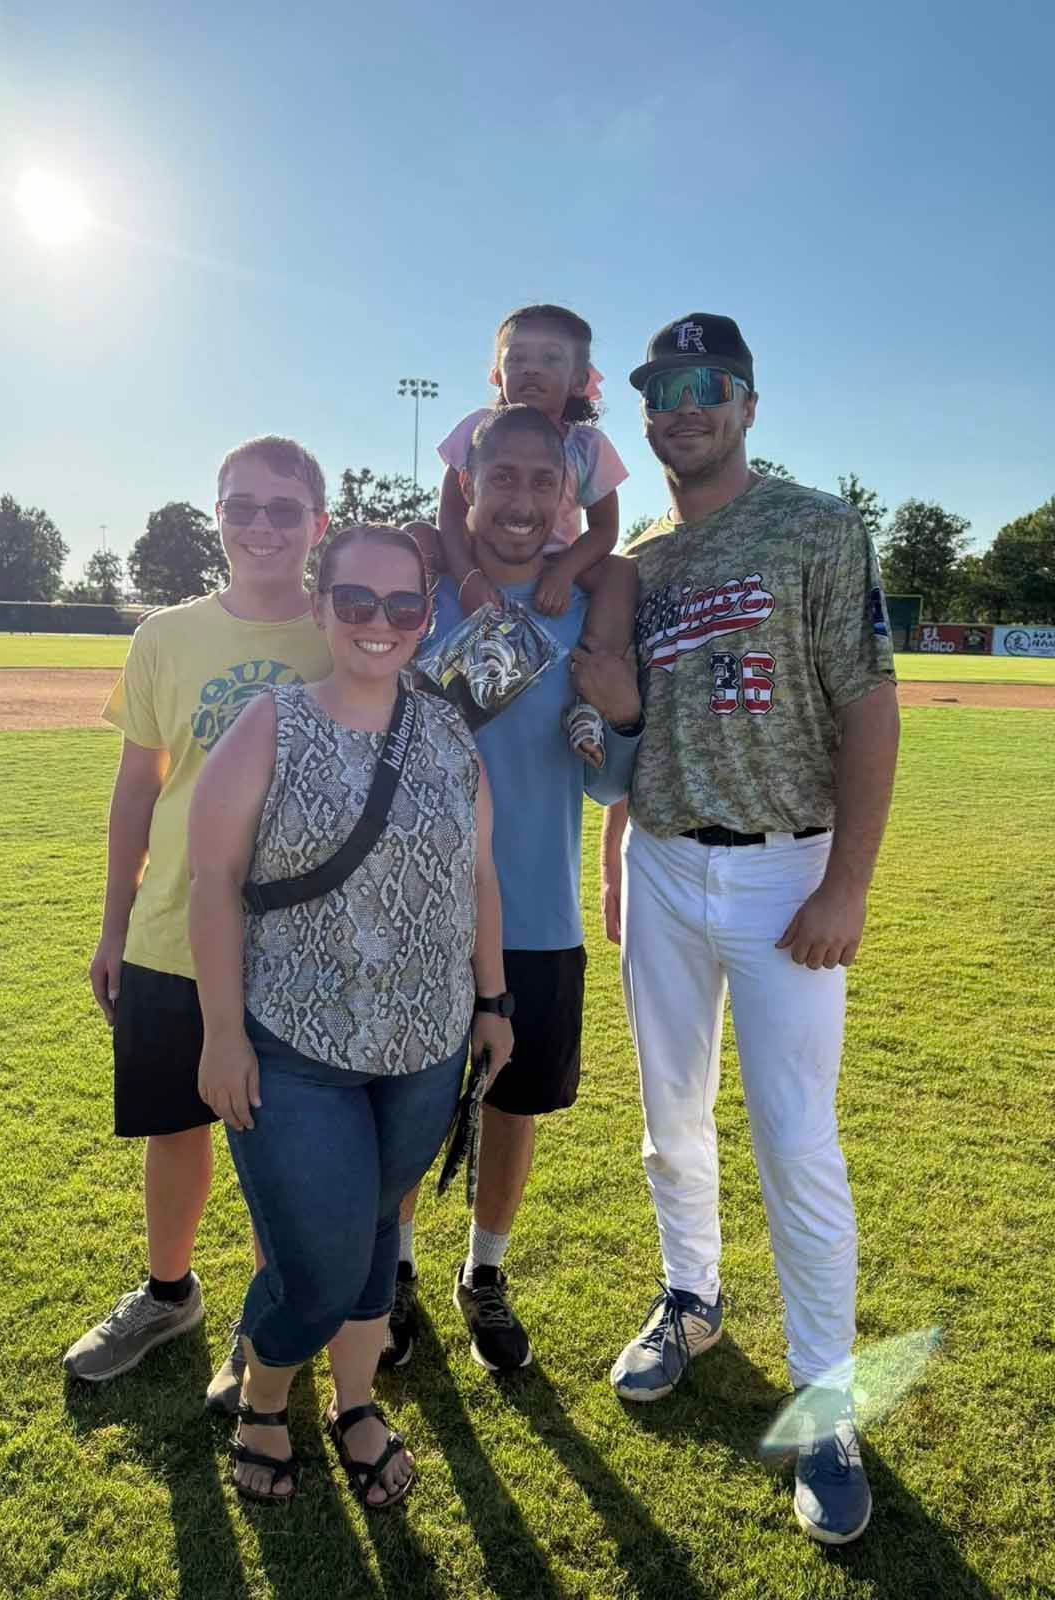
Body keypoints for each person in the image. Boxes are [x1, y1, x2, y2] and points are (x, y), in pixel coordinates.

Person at [602, 314, 899, 1546]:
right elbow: (632, 728)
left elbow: (869, 710)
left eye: (706, 385)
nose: (683, 405)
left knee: (796, 1140)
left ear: (748, 401)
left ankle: (826, 1401)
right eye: (664, 388)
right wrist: (619, 854)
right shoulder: (640, 555)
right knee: (670, 1115)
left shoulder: (819, 525)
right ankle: (692, 1295)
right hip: (666, 862)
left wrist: (848, 886)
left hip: (788, 874)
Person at [187, 524, 513, 1508]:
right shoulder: (269, 724)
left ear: (426, 615)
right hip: (296, 1045)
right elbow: (213, 882)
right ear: (322, 605)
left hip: (425, 1045)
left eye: (403, 605)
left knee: (374, 1231)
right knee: (320, 1264)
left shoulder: (452, 731)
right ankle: (262, 1400)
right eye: (357, 602)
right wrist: (222, 1031)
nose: (380, 623)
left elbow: (480, 875)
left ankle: (356, 1401)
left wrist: (493, 998)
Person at [62, 436, 331, 1412]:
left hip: (294, 951)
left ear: (318, 524)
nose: (261, 525)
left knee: (279, 1147)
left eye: (283, 509)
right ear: (216, 515)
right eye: (241, 506)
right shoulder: (165, 638)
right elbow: (137, 791)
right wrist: (112, 924)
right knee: (174, 1128)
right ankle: (170, 1294)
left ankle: (269, 1319)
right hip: (171, 931)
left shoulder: (341, 633)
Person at [383, 404, 643, 1375]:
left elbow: (611, 781)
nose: (524, 499)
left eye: (545, 480)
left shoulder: (591, 608)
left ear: (569, 492)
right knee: (405, 1103)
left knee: (512, 1106)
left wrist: (619, 716)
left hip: (538, 913)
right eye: (504, 479)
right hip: (414, 908)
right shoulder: (428, 589)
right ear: (470, 487)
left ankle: (484, 1275)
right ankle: (396, 1271)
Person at [421, 303, 637, 767]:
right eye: (516, 358)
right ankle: (402, 649)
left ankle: (590, 693)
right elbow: (450, 515)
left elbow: (606, 530)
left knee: (619, 572)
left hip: (559, 564)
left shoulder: (586, 445)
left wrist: (566, 573)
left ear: (580, 379)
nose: (531, 369)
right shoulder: (475, 429)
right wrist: (467, 580)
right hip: (482, 555)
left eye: (551, 359)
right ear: (497, 373)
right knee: (414, 537)